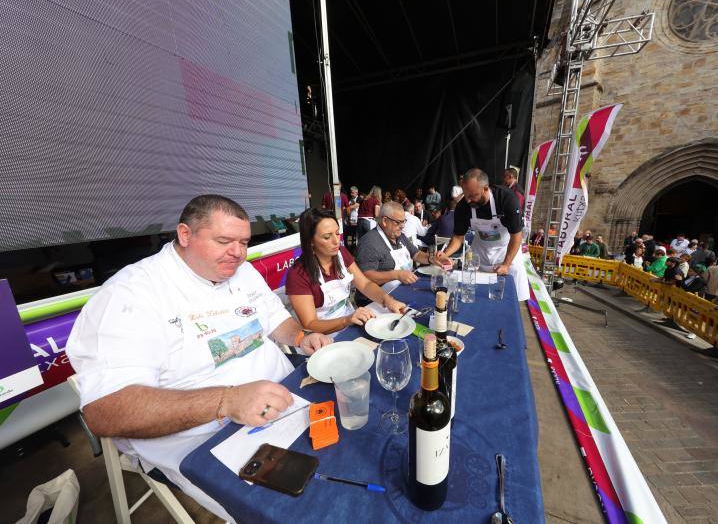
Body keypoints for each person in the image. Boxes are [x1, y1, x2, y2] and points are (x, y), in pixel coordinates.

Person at [65, 195, 333, 521]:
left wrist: (302, 337)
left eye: (244, 242)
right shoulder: (131, 295)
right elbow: (105, 411)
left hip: (285, 400)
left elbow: (278, 321)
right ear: (185, 235)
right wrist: (225, 400)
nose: (237, 252)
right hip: (202, 439)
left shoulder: (242, 271)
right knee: (302, 510)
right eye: (224, 241)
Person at [286, 208, 406, 336]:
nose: (336, 241)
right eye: (327, 237)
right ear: (310, 242)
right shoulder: (297, 275)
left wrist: (387, 300)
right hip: (323, 337)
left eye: (337, 233)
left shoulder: (341, 253)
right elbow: (310, 324)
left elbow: (365, 284)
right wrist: (346, 320)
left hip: (350, 322)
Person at [441, 168, 528, 301]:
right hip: (480, 253)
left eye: (472, 196)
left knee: (511, 297)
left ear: (485, 189)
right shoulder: (464, 206)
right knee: (478, 295)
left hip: (507, 250)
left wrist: (506, 264)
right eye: (466, 195)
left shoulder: (506, 199)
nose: (468, 200)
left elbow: (517, 235)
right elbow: (458, 237)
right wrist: (445, 254)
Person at [355, 202, 450, 305]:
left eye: (404, 221)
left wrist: (432, 258)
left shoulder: (400, 236)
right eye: (398, 222)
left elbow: (416, 254)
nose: (403, 226)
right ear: (385, 221)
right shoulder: (369, 242)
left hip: (402, 289)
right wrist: (396, 274)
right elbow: (366, 276)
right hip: (376, 300)